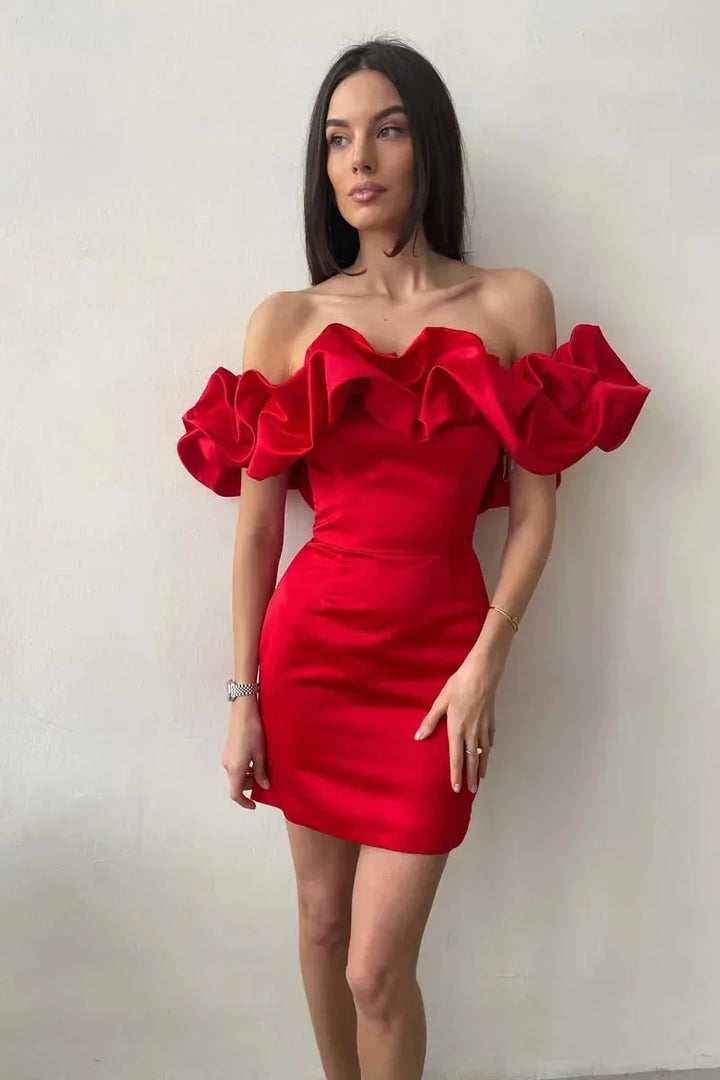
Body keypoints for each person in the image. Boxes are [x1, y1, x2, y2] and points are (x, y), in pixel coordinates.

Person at [177, 36, 650, 1080]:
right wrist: (241, 695)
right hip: (309, 663)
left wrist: (487, 661)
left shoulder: (512, 305)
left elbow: (534, 513)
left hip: (439, 667)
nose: (360, 160)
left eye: (386, 129)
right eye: (338, 139)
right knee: (319, 926)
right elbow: (257, 529)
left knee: (376, 970)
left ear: (427, 144)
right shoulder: (287, 323)